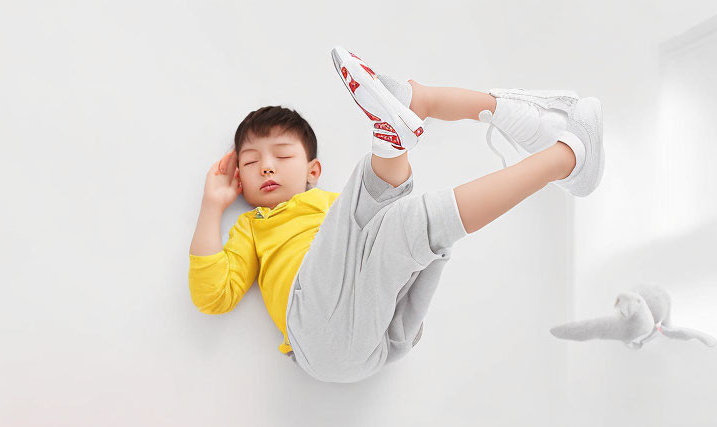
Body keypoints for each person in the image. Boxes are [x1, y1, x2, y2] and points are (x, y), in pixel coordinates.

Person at [188, 46, 602, 383]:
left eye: (281, 156)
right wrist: (213, 206)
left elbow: (376, 231)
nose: (267, 167)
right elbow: (212, 296)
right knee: (373, 208)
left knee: (413, 221)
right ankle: (392, 137)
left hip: (373, 327)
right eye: (250, 161)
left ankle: (564, 159)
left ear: (313, 171)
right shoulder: (255, 226)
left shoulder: (332, 205)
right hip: (318, 335)